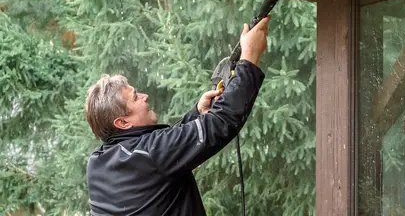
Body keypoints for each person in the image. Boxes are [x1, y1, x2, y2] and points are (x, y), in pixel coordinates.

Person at [84, 17, 271, 216]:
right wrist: (250, 57)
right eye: (136, 97)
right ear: (122, 122)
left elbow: (163, 152)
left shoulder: (97, 163)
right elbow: (221, 123)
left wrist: (196, 113)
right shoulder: (149, 153)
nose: (145, 97)